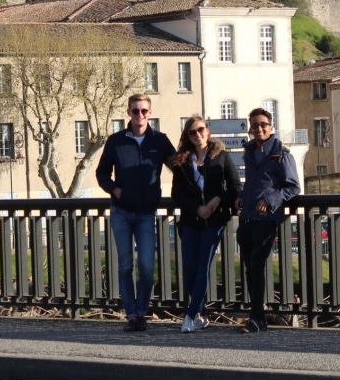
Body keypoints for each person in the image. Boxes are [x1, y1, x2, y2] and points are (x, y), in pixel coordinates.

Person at [96, 93, 175, 332]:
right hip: (121, 211)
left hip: (146, 213)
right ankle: (131, 315)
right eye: (135, 111)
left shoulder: (160, 141)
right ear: (128, 113)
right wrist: (115, 190)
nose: (139, 115)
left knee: (147, 266)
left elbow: (179, 168)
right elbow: (102, 173)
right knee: (125, 265)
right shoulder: (116, 140)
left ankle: (142, 311)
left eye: (143, 111)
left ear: (150, 113)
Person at [171, 115, 242, 333]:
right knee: (189, 269)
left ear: (208, 131)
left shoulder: (221, 156)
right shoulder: (182, 160)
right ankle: (201, 313)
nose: (197, 134)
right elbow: (177, 193)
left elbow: (235, 185)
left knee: (203, 266)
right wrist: (196, 208)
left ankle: (190, 315)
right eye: (192, 132)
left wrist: (218, 199)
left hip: (215, 220)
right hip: (191, 220)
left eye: (200, 130)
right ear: (188, 136)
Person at [236, 107, 300, 333]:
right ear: (251, 128)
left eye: (263, 124)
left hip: (266, 218)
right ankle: (258, 318)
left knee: (256, 265)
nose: (259, 128)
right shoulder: (249, 152)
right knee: (249, 268)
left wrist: (271, 199)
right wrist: (241, 197)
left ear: (271, 127)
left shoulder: (281, 154)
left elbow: (293, 187)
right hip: (247, 218)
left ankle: (256, 318)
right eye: (255, 125)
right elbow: (252, 184)